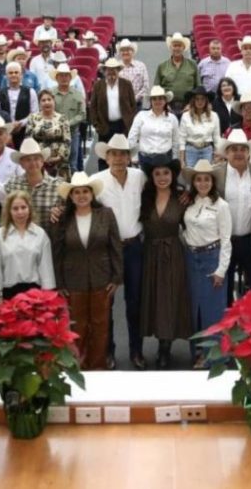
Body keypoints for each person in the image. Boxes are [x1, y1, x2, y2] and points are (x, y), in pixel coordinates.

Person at [51, 172, 121, 370]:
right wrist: (59, 282)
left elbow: (115, 247)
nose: (81, 196)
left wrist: (117, 277)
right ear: (71, 196)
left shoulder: (106, 214)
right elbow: (57, 252)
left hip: (102, 278)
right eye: (77, 192)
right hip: (73, 280)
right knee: (77, 325)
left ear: (92, 194)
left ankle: (98, 367)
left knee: (100, 325)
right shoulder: (62, 219)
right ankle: (78, 367)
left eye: (85, 191)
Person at [90, 135, 146, 369]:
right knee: (107, 303)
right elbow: (80, 204)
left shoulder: (140, 177)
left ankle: (136, 351)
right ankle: (108, 352)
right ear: (107, 157)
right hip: (108, 250)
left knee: (135, 302)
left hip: (134, 246)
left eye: (123, 154)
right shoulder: (96, 181)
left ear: (129, 157)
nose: (119, 158)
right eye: (114, 154)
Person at [137, 155, 191, 369]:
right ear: (151, 176)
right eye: (157, 173)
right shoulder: (144, 196)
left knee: (169, 299)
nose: (162, 177)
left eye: (166, 173)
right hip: (150, 253)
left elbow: (193, 223)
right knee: (154, 299)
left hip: (173, 253)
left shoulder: (182, 197)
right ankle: (154, 341)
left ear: (173, 175)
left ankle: (165, 347)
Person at [180, 160, 232, 367]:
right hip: (191, 258)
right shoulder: (189, 203)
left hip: (212, 257)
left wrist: (221, 270)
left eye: (207, 179)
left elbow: (226, 239)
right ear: (193, 183)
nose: (202, 183)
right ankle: (198, 353)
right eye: (199, 179)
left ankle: (216, 357)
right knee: (195, 308)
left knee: (214, 310)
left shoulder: (221, 206)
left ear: (213, 182)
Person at [211, 130, 251, 304]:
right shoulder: (215, 174)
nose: (238, 153)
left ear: (248, 152)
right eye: (233, 149)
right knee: (223, 289)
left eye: (242, 149)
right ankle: (227, 320)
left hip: (250, 240)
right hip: (224, 241)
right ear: (226, 153)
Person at [0, 191, 55, 298]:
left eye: (23, 207)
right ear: (9, 211)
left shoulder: (40, 234)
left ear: (29, 209)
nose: (20, 212)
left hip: (35, 294)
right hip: (9, 293)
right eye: (15, 209)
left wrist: (47, 296)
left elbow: (46, 268)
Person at [4, 137, 63, 227]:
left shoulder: (58, 186)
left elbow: (66, 211)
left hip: (48, 234)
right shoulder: (11, 185)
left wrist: (60, 211)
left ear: (42, 161)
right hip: (20, 234)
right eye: (28, 159)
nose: (32, 163)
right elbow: (6, 214)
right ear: (21, 164)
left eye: (36, 159)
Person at [90, 58, 138, 152]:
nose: (111, 72)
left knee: (122, 153)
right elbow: (93, 107)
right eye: (109, 69)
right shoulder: (98, 86)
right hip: (104, 126)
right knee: (105, 154)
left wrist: (130, 122)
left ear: (118, 71)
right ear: (104, 71)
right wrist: (97, 125)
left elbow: (133, 105)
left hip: (123, 125)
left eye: (114, 69)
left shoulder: (126, 84)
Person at [25, 89, 71, 180]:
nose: (47, 102)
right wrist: (40, 158)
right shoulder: (32, 118)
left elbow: (67, 141)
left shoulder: (62, 118)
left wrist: (59, 157)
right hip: (37, 162)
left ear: (54, 101)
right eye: (43, 100)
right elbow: (28, 140)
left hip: (59, 162)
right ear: (39, 103)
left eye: (49, 99)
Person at [128, 86, 180, 166]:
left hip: (165, 159)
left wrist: (174, 158)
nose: (157, 101)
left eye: (160, 98)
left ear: (165, 100)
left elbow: (176, 141)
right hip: (145, 159)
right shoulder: (141, 116)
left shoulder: (172, 118)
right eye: (154, 99)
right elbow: (132, 137)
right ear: (151, 101)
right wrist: (133, 156)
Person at [50, 64, 86, 175]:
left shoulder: (78, 94)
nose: (64, 78)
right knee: (54, 163)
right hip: (54, 133)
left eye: (66, 75)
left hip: (73, 133)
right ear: (56, 78)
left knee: (72, 164)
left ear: (70, 78)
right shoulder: (50, 94)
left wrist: (67, 124)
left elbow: (82, 114)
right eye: (61, 75)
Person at [154, 33, 200, 114]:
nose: (177, 48)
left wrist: (191, 104)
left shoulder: (193, 65)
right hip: (167, 107)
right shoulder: (162, 66)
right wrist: (164, 105)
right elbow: (156, 89)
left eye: (179, 46)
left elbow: (198, 87)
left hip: (189, 107)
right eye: (175, 46)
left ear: (183, 48)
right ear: (171, 48)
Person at [0, 61, 39, 147]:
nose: (13, 75)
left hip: (25, 132)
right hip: (5, 133)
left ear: (21, 75)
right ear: (6, 76)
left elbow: (35, 113)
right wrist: (10, 126)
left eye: (16, 72)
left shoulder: (31, 92)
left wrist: (21, 123)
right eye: (10, 73)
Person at [179, 87, 222, 167]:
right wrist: (181, 160)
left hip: (207, 150)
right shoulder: (186, 116)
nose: (200, 101)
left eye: (202, 99)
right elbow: (182, 139)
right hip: (191, 150)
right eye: (197, 99)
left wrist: (218, 155)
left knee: (206, 173)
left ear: (206, 101)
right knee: (191, 174)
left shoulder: (214, 116)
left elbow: (216, 138)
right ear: (193, 101)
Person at [224, 35, 251, 102]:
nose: (248, 51)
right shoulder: (232, 65)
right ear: (241, 51)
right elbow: (227, 83)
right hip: (236, 101)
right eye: (245, 48)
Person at [117, 39, 149, 109]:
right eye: (123, 50)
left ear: (133, 51)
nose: (125, 52)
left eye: (128, 50)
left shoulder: (141, 66)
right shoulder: (116, 67)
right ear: (120, 52)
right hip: (120, 105)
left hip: (137, 105)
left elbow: (145, 86)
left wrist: (134, 99)